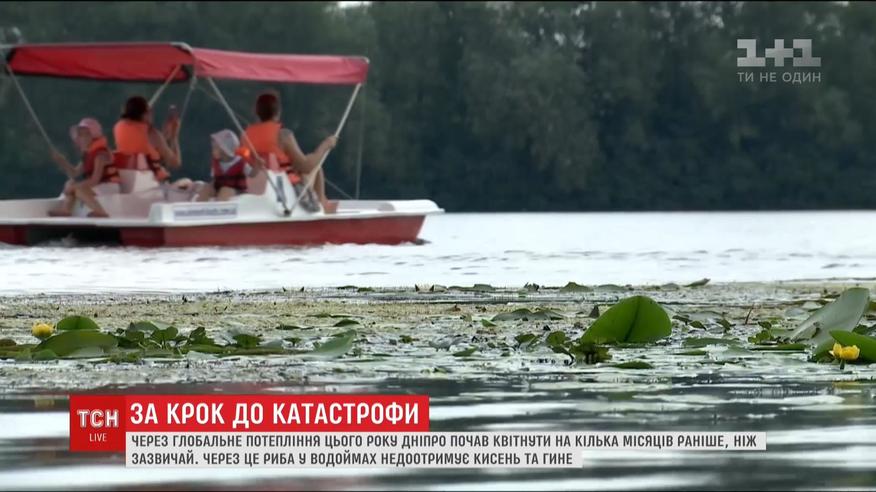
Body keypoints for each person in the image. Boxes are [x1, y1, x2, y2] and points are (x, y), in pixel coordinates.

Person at [242, 91, 338, 213]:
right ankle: (323, 205)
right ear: (278, 112)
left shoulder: (245, 135)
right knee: (316, 167)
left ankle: (323, 202)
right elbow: (306, 166)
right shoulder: (283, 135)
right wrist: (325, 145)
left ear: (256, 112)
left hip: (256, 186)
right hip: (283, 187)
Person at [113, 96, 189, 189]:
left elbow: (143, 148)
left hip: (126, 183)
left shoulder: (118, 127)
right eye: (150, 111)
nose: (152, 114)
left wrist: (164, 136)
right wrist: (174, 137)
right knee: (191, 184)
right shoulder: (152, 133)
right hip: (151, 185)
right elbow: (175, 163)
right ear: (144, 114)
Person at [48, 118, 119, 218]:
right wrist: (62, 162)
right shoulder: (88, 153)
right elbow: (75, 173)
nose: (81, 138)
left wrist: (75, 187)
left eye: (86, 134)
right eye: (80, 135)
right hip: (97, 186)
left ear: (94, 136)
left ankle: (100, 212)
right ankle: (65, 209)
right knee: (71, 183)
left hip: (109, 186)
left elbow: (95, 180)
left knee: (78, 189)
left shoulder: (100, 154)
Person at [196, 130, 263, 202]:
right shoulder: (215, 163)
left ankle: (220, 207)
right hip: (219, 187)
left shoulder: (240, 162)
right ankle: (199, 206)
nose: (212, 151)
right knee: (206, 188)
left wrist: (257, 166)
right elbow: (214, 179)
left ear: (225, 150)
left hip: (236, 190)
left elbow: (252, 174)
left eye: (215, 148)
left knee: (225, 190)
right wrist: (209, 187)